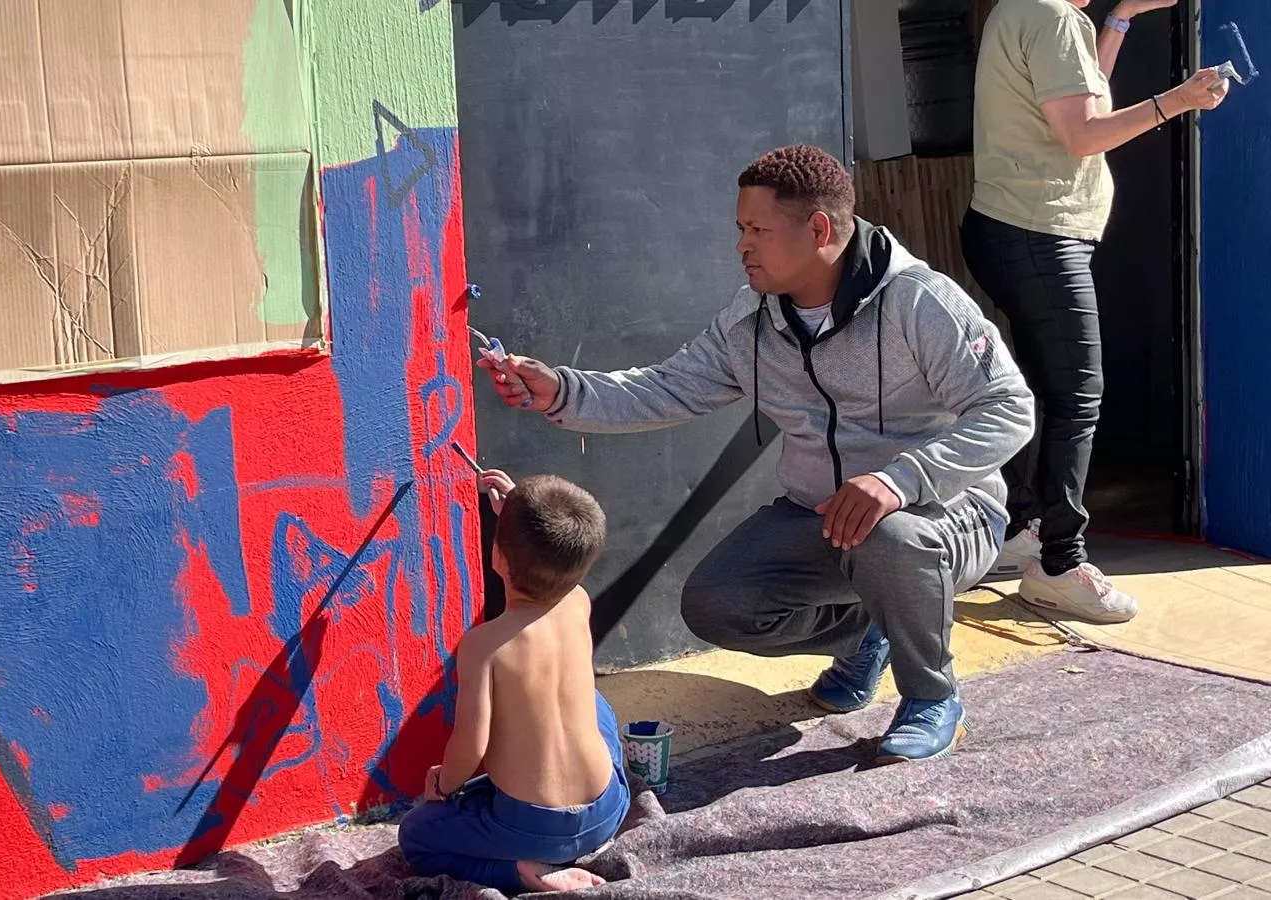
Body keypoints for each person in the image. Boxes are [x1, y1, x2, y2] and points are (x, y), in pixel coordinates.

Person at [478, 145, 1035, 763]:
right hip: (821, 517)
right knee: (717, 604)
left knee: (892, 537)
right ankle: (870, 631)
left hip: (944, 513)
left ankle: (932, 697)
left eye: (758, 230)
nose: (742, 245)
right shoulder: (751, 322)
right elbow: (667, 387)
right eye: (740, 229)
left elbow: (1010, 408)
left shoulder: (919, 302)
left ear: (819, 228)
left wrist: (901, 479)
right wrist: (563, 390)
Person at [962, 0, 1229, 622]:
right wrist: (1179, 99)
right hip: (1038, 235)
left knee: (1045, 393)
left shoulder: (1027, 11)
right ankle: (1059, 562)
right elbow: (1083, 135)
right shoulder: (1051, 16)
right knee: (1078, 396)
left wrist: (1123, 17)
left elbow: (1086, 102)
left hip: (1012, 229)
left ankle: (1026, 529)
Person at [398, 469, 629, 895]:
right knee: (595, 704)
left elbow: (471, 744)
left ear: (498, 557)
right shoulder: (579, 602)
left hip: (531, 829)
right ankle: (558, 847)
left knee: (415, 836)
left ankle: (522, 872)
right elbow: (555, 558)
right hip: (608, 810)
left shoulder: (484, 645)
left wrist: (444, 785)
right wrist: (515, 512)